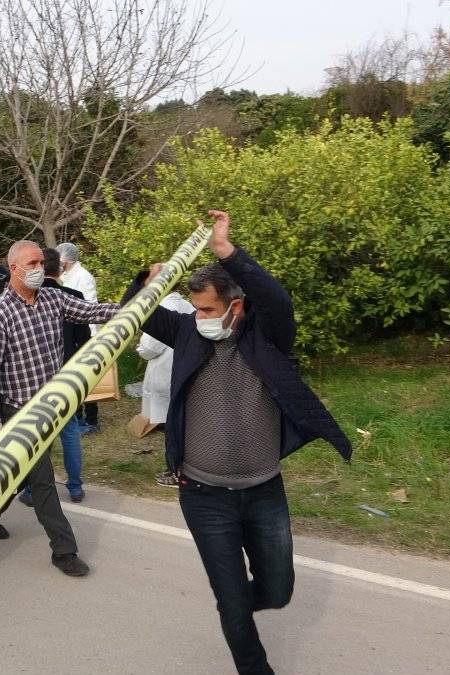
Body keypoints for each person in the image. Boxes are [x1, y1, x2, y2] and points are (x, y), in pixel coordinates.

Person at [125, 210, 352, 674]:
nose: (200, 318)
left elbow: (277, 299)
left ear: (236, 306)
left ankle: (236, 607)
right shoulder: (187, 333)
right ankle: (247, 648)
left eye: (208, 309)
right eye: (196, 309)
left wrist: (226, 250)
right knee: (232, 601)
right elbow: (137, 313)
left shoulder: (267, 337)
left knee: (277, 590)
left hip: (264, 491)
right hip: (204, 496)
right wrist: (146, 281)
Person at [0, 240, 120, 575]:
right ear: (13, 268)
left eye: (42, 262)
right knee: (41, 479)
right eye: (32, 263)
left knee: (14, 476)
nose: (39, 268)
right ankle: (63, 551)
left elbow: (92, 312)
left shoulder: (55, 299)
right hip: (19, 415)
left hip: (52, 407)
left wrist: (136, 307)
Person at [39, 248, 89, 502]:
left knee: (39, 435)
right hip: (68, 374)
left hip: (36, 376)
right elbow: (85, 339)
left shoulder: (29, 297)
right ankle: (75, 486)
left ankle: (31, 488)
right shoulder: (74, 296)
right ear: (60, 269)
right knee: (70, 432)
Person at [135, 289, 195, 487]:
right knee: (183, 424)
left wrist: (140, 347)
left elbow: (150, 346)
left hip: (164, 374)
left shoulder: (164, 308)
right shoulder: (187, 305)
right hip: (183, 370)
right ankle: (185, 469)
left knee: (172, 428)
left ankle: (175, 472)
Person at [56, 242, 101, 435]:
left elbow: (91, 308)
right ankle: (78, 415)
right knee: (75, 380)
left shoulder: (84, 277)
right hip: (72, 335)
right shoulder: (66, 276)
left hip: (86, 336)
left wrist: (90, 340)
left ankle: (91, 420)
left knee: (87, 380)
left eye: (60, 260)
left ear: (66, 260)